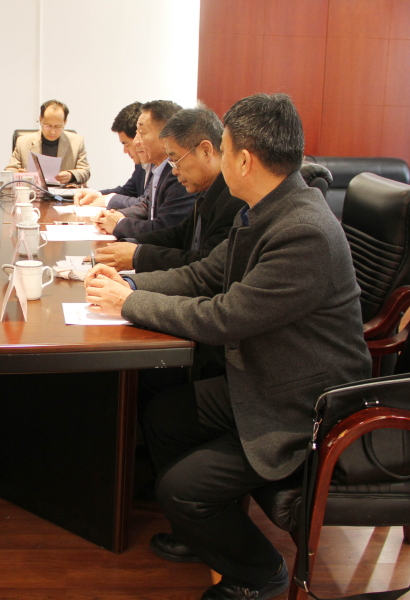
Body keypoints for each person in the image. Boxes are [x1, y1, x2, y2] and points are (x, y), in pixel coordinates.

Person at [85, 94, 371, 600]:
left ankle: (259, 574)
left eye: (225, 146)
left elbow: (224, 316)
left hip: (302, 404)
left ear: (243, 159)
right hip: (263, 374)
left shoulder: (303, 232)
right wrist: (130, 286)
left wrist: (128, 304)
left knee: (182, 490)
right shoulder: (264, 210)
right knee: (166, 415)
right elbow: (205, 274)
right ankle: (201, 533)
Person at [93, 105, 245, 277]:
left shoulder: (233, 199)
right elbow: (180, 234)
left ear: (205, 150)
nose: (174, 171)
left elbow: (206, 267)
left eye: (175, 160)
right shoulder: (207, 190)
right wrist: (130, 244)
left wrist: (138, 256)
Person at [92, 100, 196, 238]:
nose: (136, 141)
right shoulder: (159, 168)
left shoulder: (177, 172)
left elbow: (165, 228)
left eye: (141, 133)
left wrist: (119, 224)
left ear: (165, 138)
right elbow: (146, 205)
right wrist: (117, 216)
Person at [5, 99, 90, 185]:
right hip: (33, 190)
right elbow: (9, 170)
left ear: (65, 122)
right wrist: (17, 174)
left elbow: (85, 171)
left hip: (65, 191)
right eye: (48, 126)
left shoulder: (77, 142)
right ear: (40, 119)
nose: (52, 132)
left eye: (57, 126)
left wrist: (71, 175)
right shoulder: (23, 142)